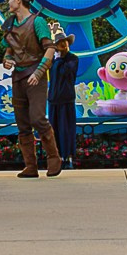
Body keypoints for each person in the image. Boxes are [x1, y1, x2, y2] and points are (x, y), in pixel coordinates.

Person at [2, 0, 59, 178]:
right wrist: (8, 60)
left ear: (18, 0)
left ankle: (54, 158)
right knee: (22, 123)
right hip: (18, 77)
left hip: (35, 75)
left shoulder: (37, 22)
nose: (8, 2)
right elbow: (9, 50)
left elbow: (50, 48)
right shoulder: (9, 24)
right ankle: (30, 166)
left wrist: (39, 71)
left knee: (37, 117)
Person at [46, 24, 81, 176]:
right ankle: (57, 157)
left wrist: (59, 59)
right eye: (60, 43)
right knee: (54, 130)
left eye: (65, 43)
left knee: (67, 129)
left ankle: (69, 157)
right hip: (54, 99)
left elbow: (67, 72)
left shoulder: (72, 59)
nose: (63, 46)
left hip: (66, 99)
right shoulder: (53, 61)